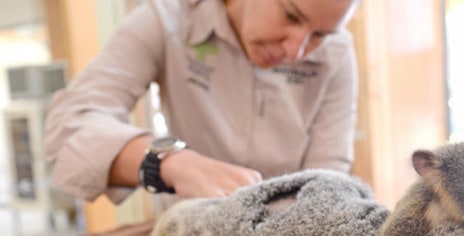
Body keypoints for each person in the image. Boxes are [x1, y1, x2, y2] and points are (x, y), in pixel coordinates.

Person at [44, 0, 360, 206]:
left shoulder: (337, 53)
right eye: (290, 15)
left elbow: (328, 173)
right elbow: (69, 130)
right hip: (193, 235)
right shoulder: (166, 20)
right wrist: (169, 162)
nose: (296, 50)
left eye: (320, 34)